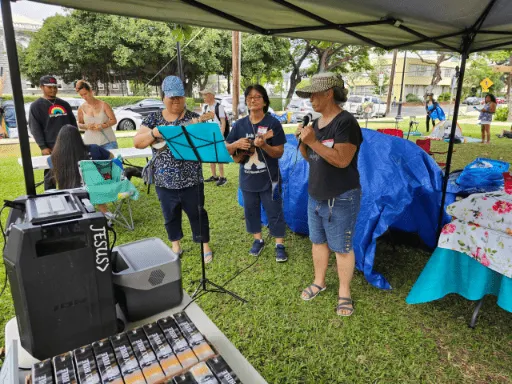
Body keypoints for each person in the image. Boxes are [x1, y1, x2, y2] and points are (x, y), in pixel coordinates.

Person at [295, 72, 363, 317]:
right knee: (318, 242)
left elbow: (343, 160)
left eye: (315, 93)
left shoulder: (346, 123)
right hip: (316, 194)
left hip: (342, 196)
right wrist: (304, 142)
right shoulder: (315, 124)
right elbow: (310, 158)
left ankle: (344, 292)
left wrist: (313, 142)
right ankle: (319, 281)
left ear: (329, 93)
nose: (311, 99)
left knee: (342, 247)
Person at [134, 76, 213, 263]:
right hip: (164, 180)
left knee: (198, 213)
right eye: (172, 98)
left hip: (191, 179)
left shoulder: (194, 118)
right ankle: (175, 244)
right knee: (170, 215)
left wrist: (198, 129)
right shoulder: (153, 118)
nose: (176, 101)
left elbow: (205, 146)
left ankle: (204, 244)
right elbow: (137, 142)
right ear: (163, 98)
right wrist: (155, 133)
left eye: (179, 97)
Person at [225, 85, 288, 262]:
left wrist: (264, 145)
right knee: (251, 211)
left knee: (274, 210)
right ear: (246, 101)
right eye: (250, 97)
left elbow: (279, 152)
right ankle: (258, 240)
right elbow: (227, 149)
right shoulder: (239, 124)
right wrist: (237, 144)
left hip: (270, 179)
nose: (253, 100)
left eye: (258, 97)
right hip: (247, 179)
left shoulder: (273, 124)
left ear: (265, 101)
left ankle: (279, 244)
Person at [50, 124, 113, 214]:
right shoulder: (94, 149)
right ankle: (105, 211)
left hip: (68, 192)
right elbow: (111, 158)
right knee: (94, 183)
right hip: (97, 190)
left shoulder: (53, 158)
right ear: (78, 137)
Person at [29, 75, 77, 190]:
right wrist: (43, 146)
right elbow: (35, 128)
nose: (53, 89)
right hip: (51, 146)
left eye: (55, 87)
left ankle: (70, 196)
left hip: (68, 145)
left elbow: (73, 124)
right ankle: (50, 197)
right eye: (49, 87)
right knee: (51, 175)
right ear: (41, 87)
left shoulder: (64, 104)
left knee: (70, 174)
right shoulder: (36, 106)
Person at [75, 80, 118, 150]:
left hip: (108, 142)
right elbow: (79, 124)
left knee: (112, 161)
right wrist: (87, 126)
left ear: (91, 91)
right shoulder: (81, 108)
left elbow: (114, 120)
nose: (84, 97)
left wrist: (103, 126)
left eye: (85, 94)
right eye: (81, 95)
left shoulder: (104, 105)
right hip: (90, 143)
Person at [199, 87, 228, 186]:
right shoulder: (205, 107)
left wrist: (221, 134)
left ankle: (222, 177)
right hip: (208, 134)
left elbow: (223, 122)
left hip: (217, 134)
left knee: (218, 156)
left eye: (205, 95)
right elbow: (202, 120)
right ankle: (214, 175)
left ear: (211, 95)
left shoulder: (219, 107)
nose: (203, 97)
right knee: (211, 155)